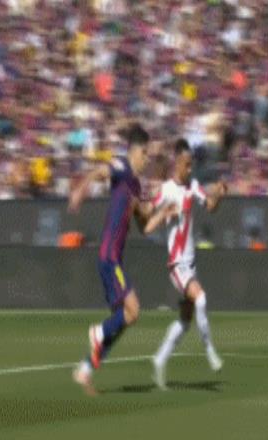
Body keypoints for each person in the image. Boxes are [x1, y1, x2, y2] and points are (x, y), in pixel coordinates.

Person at [69, 123, 175, 395]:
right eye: (145, 154)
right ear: (135, 151)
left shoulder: (137, 186)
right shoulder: (122, 167)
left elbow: (145, 225)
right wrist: (80, 190)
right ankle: (98, 332)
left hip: (113, 258)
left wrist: (163, 213)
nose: (147, 159)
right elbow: (99, 171)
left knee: (124, 319)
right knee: (132, 311)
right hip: (109, 257)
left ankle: (85, 369)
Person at [144, 139, 227, 390]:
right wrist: (163, 213)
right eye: (186, 164)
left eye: (191, 165)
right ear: (176, 162)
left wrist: (219, 194)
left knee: (185, 321)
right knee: (201, 298)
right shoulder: (167, 190)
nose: (190, 169)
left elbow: (210, 207)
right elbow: (147, 224)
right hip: (177, 264)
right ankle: (209, 351)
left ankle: (159, 360)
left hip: (190, 264)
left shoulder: (193, 186)